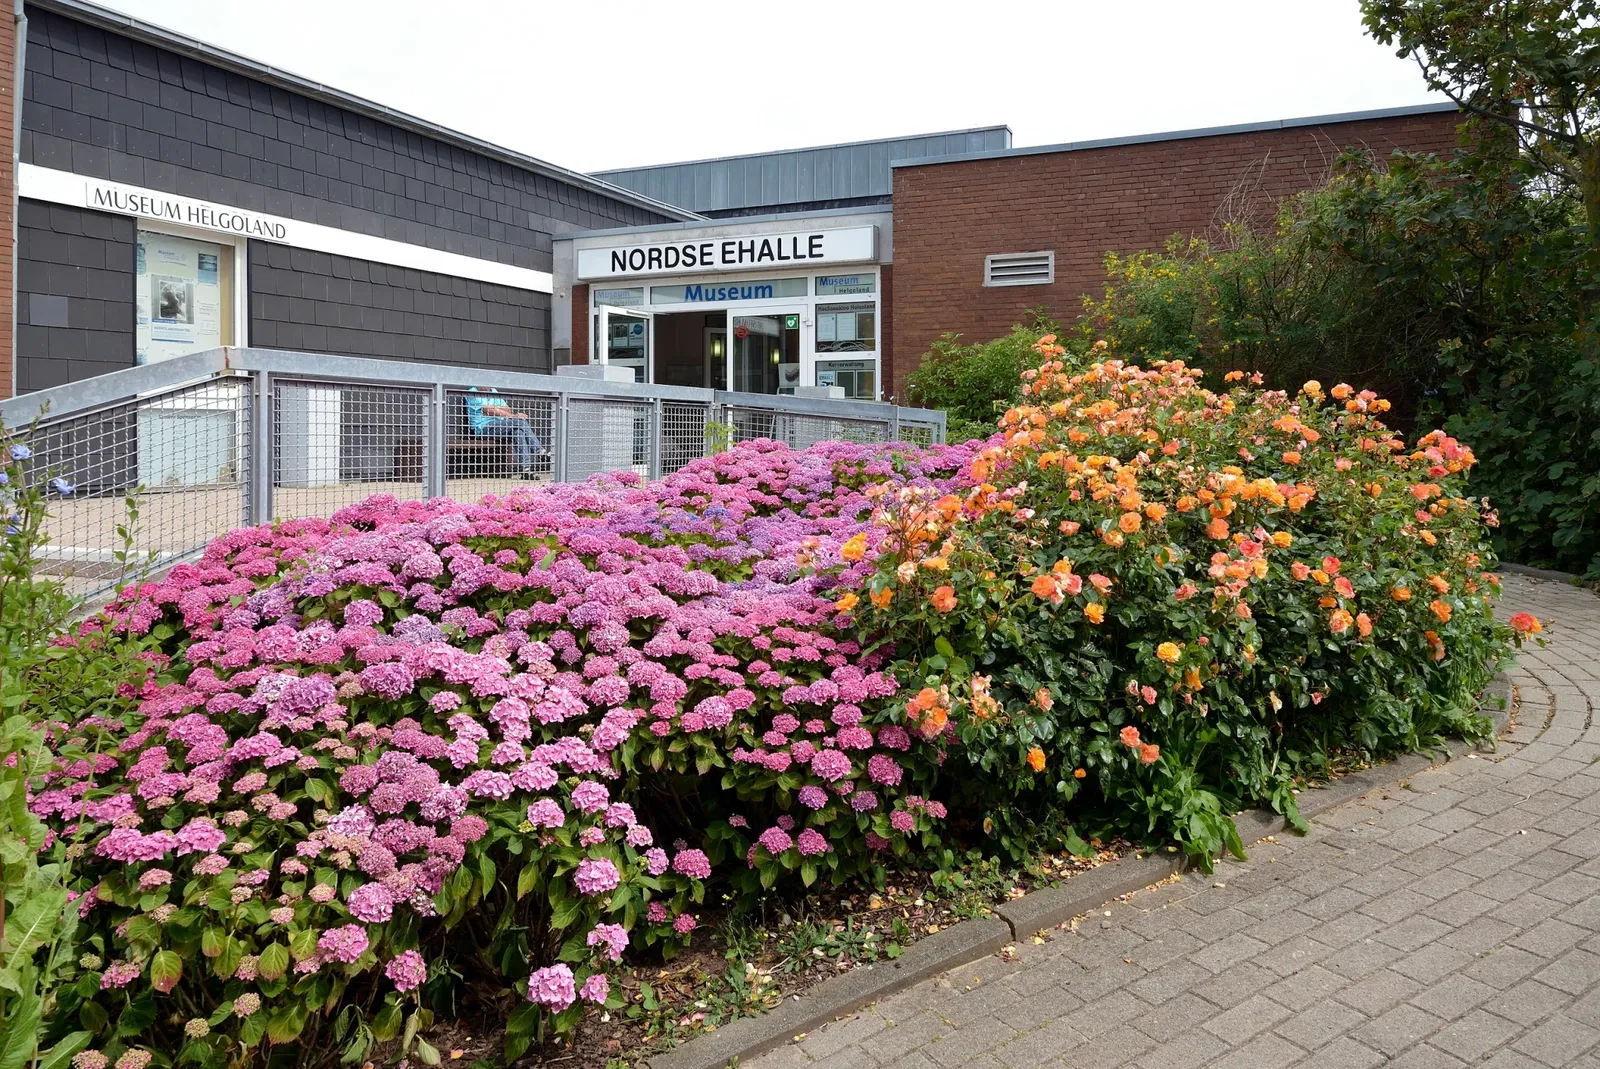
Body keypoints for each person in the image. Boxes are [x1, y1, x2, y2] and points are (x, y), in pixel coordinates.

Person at [464, 387, 543, 476]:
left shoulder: (493, 391)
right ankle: (539, 451)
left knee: (518, 432)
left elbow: (508, 409)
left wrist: (494, 409)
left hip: (501, 426)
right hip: (484, 428)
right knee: (519, 421)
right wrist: (495, 410)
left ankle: (526, 469)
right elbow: (489, 410)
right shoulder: (472, 392)